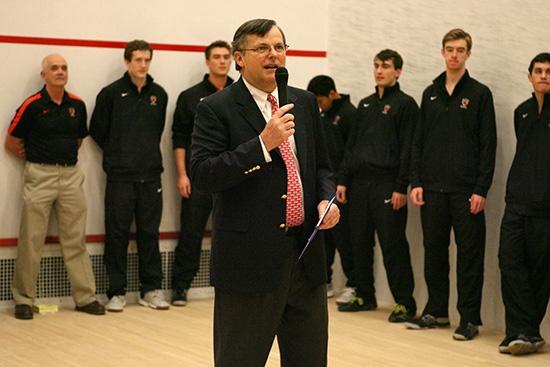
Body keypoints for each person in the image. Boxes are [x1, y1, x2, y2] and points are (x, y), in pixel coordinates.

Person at [190, 19, 339, 367]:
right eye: (262, 48)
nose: (274, 55)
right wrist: (261, 144)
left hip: (305, 255)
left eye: (279, 47)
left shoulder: (302, 101)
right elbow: (203, 175)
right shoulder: (216, 107)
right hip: (249, 260)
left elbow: (322, 167)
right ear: (239, 58)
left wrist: (325, 198)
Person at [407, 29, 497, 340]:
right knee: (434, 252)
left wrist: (481, 189)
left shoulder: (480, 93)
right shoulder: (430, 93)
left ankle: (469, 319)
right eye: (449, 49)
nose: (454, 54)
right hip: (432, 189)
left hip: (466, 191)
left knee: (469, 256)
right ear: (443, 52)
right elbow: (419, 141)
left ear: (468, 54)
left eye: (460, 50)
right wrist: (416, 181)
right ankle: (437, 311)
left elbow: (489, 144)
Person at [6, 54, 105, 320]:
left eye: (64, 67)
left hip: (71, 176)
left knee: (75, 240)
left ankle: (85, 298)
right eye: (54, 68)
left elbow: (78, 140)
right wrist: (38, 161)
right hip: (39, 176)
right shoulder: (32, 105)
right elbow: (12, 141)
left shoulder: (77, 104)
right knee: (32, 239)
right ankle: (24, 300)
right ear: (44, 75)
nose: (60, 72)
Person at [336, 50, 418, 323]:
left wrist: (400, 186)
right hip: (359, 185)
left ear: (398, 72)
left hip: (387, 185)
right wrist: (343, 180)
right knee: (359, 241)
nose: (379, 70)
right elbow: (352, 146)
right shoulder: (366, 104)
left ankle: (405, 302)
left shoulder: (406, 105)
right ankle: (364, 294)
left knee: (393, 245)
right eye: (376, 66)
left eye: (385, 66)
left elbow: (409, 149)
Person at [90, 40, 169, 312]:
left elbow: (156, 131)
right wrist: (118, 154)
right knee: (117, 234)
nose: (143, 65)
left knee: (150, 233)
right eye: (138, 60)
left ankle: (151, 290)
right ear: (127, 62)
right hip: (120, 177)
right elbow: (98, 131)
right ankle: (116, 292)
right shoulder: (110, 94)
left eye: (147, 60)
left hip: (151, 176)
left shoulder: (159, 94)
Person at [171, 40, 234, 306]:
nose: (222, 61)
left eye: (226, 57)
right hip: (199, 177)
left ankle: (234, 285)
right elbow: (179, 139)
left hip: (233, 179)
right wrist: (183, 174)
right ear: (207, 61)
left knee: (234, 233)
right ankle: (181, 287)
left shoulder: (241, 93)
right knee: (191, 232)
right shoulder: (190, 96)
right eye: (216, 57)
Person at [497, 52, 550, 355]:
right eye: (538, 71)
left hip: (545, 210)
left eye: (548, 72)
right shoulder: (522, 112)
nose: (543, 76)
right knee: (510, 263)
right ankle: (519, 330)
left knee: (539, 271)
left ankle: (527, 332)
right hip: (516, 204)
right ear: (529, 76)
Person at [306, 75, 356, 304]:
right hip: (325, 185)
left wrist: (342, 180)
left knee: (345, 238)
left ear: (332, 95)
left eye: (320, 100)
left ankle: (353, 283)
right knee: (325, 237)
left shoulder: (349, 114)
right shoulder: (321, 115)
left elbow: (350, 152)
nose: (318, 104)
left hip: (345, 186)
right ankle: (324, 280)